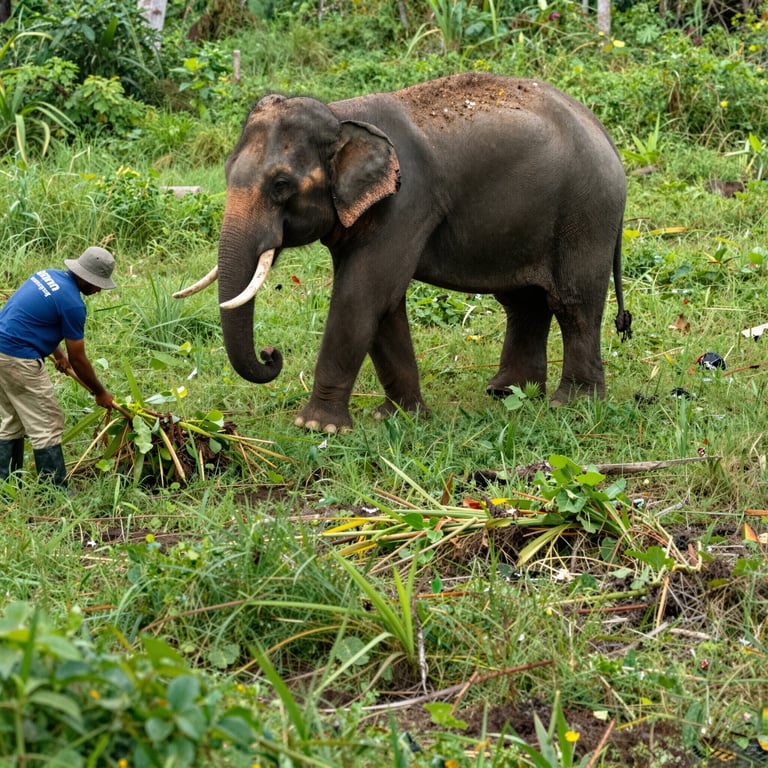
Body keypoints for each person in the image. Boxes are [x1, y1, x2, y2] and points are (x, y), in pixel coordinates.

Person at [0, 246, 117, 490]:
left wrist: (58, 354)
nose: (98, 289)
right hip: (18, 359)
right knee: (47, 422)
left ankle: (6, 485)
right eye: (97, 284)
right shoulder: (73, 305)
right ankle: (54, 490)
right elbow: (79, 359)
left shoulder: (46, 275)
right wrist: (100, 392)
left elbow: (35, 319)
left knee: (11, 419)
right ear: (85, 278)